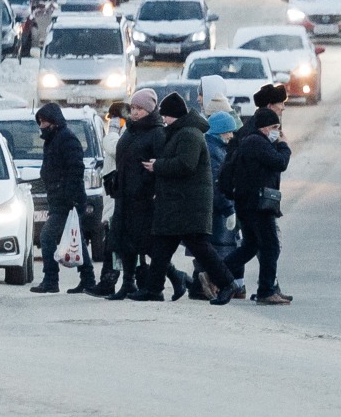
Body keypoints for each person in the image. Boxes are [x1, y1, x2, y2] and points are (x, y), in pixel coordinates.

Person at [142, 92, 240, 305]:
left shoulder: (189, 134)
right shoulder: (181, 132)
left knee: (201, 248)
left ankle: (227, 284)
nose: (164, 120)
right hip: (179, 203)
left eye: (166, 116)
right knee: (162, 246)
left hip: (189, 204)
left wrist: (157, 165)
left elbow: (186, 165)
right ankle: (152, 289)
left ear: (173, 116)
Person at [222, 106, 291, 305]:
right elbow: (280, 163)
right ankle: (266, 290)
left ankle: (216, 273)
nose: (277, 131)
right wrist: (284, 146)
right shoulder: (256, 142)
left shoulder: (253, 141)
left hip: (249, 203)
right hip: (257, 205)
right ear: (263, 127)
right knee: (270, 246)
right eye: (274, 127)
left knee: (251, 246)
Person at [31, 102, 96, 295]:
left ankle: (51, 279)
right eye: (40, 122)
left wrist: (72, 198)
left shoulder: (66, 139)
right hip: (60, 198)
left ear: (53, 121)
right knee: (77, 239)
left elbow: (75, 170)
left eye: (43, 121)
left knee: (47, 236)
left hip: (67, 200)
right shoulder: (53, 139)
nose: (41, 126)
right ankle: (88, 279)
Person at [108, 88, 166, 301]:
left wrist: (148, 185)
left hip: (144, 197)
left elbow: (160, 165)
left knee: (145, 243)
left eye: (140, 109)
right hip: (124, 194)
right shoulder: (131, 130)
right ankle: (128, 283)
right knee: (124, 241)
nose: (135, 112)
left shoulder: (157, 132)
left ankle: (177, 277)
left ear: (149, 110)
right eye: (132, 108)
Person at [206, 108, 241, 261]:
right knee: (219, 254)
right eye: (228, 132)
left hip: (215, 211)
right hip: (217, 214)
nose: (231, 136)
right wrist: (228, 209)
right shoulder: (214, 152)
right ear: (220, 131)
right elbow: (216, 184)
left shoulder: (217, 148)